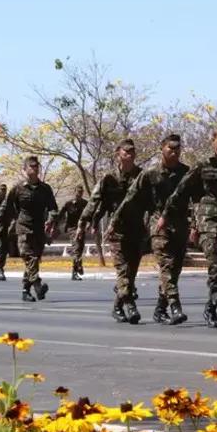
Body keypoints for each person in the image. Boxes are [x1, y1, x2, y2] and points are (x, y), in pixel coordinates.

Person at [162, 127, 217, 331]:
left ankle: (210, 307)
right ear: (214, 141)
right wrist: (167, 215)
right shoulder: (203, 167)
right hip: (208, 223)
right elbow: (181, 192)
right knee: (216, 265)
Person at [113, 134, 191, 325]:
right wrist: (115, 221)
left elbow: (194, 199)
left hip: (180, 226)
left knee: (174, 270)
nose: (174, 152)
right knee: (166, 266)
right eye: (170, 148)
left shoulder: (187, 172)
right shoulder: (150, 174)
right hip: (159, 225)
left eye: (177, 148)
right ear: (162, 149)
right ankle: (175, 306)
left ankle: (160, 308)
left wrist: (195, 224)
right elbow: (130, 198)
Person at [87, 140, 144, 323]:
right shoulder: (109, 178)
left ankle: (117, 307)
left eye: (132, 151)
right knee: (122, 270)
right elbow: (97, 201)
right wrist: (89, 221)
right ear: (118, 154)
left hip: (136, 230)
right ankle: (130, 304)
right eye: (125, 151)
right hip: (116, 230)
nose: (129, 154)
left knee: (131, 272)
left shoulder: (142, 175)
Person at [0, 156, 58, 303]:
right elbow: (6, 206)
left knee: (34, 261)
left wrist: (50, 220)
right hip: (23, 227)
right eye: (31, 166)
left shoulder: (45, 189)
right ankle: (37, 285)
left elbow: (53, 208)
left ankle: (25, 291)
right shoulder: (18, 188)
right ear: (24, 169)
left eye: (36, 166)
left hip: (39, 229)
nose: (34, 168)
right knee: (29, 257)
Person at [58, 186, 88, 280]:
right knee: (76, 248)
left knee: (80, 249)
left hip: (82, 228)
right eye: (78, 191)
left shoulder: (85, 203)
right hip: (72, 229)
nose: (79, 193)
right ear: (74, 192)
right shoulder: (68, 204)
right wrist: (55, 226)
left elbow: (90, 214)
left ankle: (77, 268)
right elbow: (60, 214)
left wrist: (89, 225)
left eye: (81, 192)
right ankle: (77, 268)